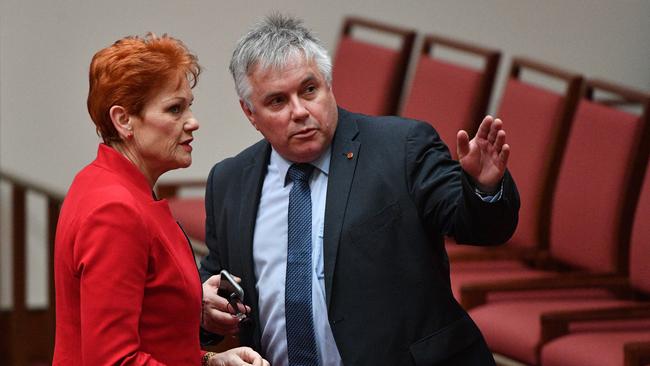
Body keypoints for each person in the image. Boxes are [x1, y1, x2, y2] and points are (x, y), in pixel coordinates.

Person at [200, 14, 519, 366]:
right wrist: (205, 309)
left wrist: (483, 187)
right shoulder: (229, 182)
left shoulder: (401, 148)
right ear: (250, 113)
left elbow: (477, 226)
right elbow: (217, 285)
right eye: (277, 101)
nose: (300, 111)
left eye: (309, 90)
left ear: (328, 85)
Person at [53, 33, 269, 366]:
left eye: (189, 106)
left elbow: (148, 331)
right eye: (174, 109)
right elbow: (114, 361)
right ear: (124, 120)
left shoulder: (108, 183)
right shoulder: (114, 210)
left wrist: (210, 360)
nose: (192, 122)